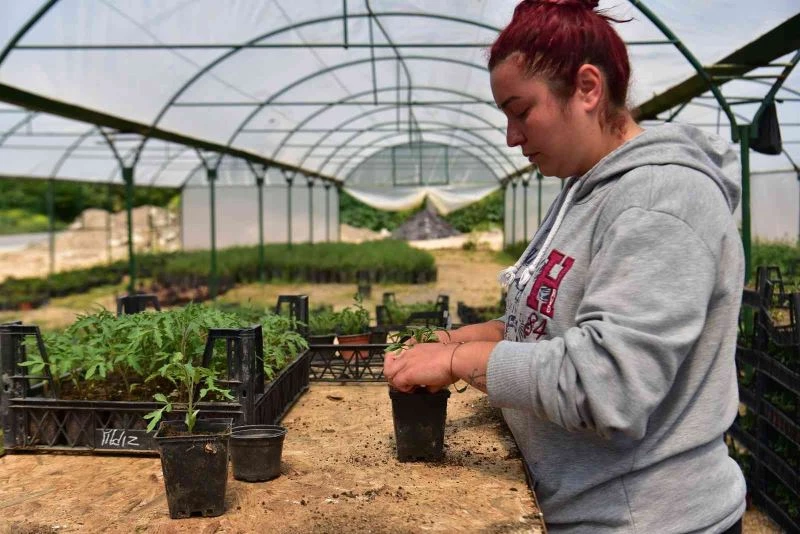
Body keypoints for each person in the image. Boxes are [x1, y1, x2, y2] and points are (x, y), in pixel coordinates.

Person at [382, 0, 746, 532]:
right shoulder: (582, 185)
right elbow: (558, 327)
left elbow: (608, 388)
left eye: (520, 110)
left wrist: (462, 362)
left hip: (645, 519)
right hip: (579, 502)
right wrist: (461, 339)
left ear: (588, 88)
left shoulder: (661, 199)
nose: (511, 136)